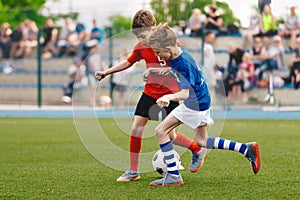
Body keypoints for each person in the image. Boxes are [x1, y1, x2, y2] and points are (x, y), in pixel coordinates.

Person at [95, 9, 206, 182]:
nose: (141, 40)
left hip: (170, 94)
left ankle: (196, 149)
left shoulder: (169, 43)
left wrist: (156, 70)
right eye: (138, 37)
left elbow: (181, 66)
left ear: (153, 27)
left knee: (171, 135)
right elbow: (128, 62)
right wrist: (107, 72)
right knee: (136, 127)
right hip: (150, 92)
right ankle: (133, 170)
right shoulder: (140, 47)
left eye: (143, 36)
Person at [148, 22, 260, 186]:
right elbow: (184, 76)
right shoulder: (178, 53)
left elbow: (184, 93)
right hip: (201, 99)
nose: (158, 56)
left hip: (194, 103)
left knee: (161, 131)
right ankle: (246, 149)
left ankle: (173, 175)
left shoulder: (182, 63)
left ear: (169, 48)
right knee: (202, 141)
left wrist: (168, 97)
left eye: (158, 52)